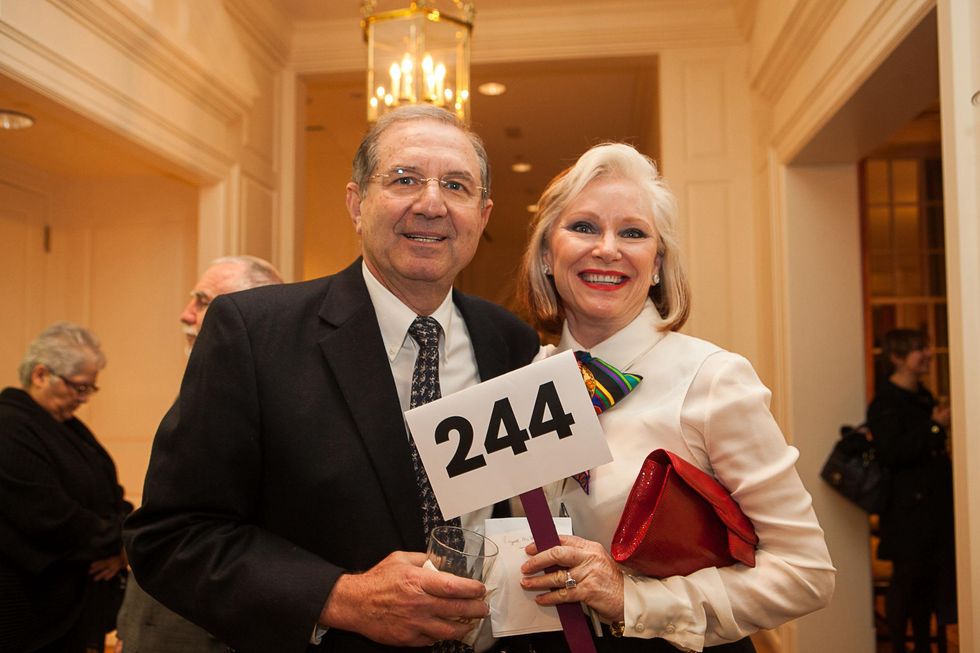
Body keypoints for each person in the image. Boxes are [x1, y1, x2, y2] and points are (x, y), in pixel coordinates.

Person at [124, 105, 539, 653]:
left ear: (482, 216)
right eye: (404, 179)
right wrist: (341, 598)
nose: (431, 203)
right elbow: (172, 536)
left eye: (456, 186)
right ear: (356, 203)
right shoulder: (253, 333)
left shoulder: (510, 342)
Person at [515, 143, 836, 652]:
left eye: (633, 233)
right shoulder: (522, 381)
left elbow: (806, 572)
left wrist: (633, 601)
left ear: (658, 264)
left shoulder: (712, 379)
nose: (607, 249)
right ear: (547, 257)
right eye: (583, 227)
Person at [114, 255, 283, 653]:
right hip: (149, 623)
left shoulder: (280, 403)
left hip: (208, 631)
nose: (185, 314)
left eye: (203, 300)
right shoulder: (196, 388)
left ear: (252, 309)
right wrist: (130, 626)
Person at [0, 322, 131, 653]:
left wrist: (123, 545)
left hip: (74, 609)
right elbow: (48, 516)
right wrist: (117, 542)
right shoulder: (9, 426)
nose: (84, 399)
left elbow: (113, 497)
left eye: (89, 389)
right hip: (30, 612)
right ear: (42, 375)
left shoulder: (69, 428)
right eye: (80, 388)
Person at [867, 329, 955, 653]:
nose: (929, 354)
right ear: (897, 358)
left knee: (930, 588)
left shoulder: (923, 396)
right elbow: (893, 452)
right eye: (920, 349)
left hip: (934, 511)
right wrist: (935, 427)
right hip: (906, 515)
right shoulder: (885, 403)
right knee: (906, 585)